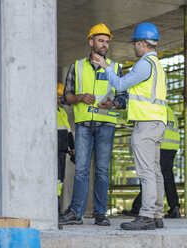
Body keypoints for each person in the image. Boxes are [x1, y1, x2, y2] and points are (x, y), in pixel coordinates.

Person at [93, 22, 167, 230]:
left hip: (146, 124)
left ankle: (145, 216)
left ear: (142, 43)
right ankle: (156, 215)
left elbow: (120, 85)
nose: (134, 47)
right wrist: (117, 105)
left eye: (135, 43)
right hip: (156, 121)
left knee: (146, 172)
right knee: (154, 171)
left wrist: (106, 67)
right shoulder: (157, 66)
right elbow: (141, 97)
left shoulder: (144, 64)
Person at [58, 23, 127, 226]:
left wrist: (113, 103)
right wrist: (79, 97)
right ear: (91, 42)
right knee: (81, 170)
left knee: (102, 171)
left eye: (107, 41)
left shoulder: (114, 67)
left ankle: (100, 214)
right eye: (101, 41)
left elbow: (123, 97)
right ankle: (75, 213)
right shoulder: (77, 66)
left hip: (106, 124)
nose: (105, 45)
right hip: (84, 125)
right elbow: (65, 97)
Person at [122, 104, 181, 219]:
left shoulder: (155, 107)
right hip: (172, 146)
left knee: (149, 175)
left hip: (159, 145)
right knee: (167, 178)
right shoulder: (170, 110)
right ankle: (174, 207)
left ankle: (139, 208)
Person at [57, 83, 75, 214]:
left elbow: (68, 131)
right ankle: (54, 208)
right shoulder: (48, 112)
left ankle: (56, 207)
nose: (59, 100)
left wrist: (72, 148)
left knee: (60, 180)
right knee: (55, 179)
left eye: (60, 97)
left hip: (62, 150)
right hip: (52, 151)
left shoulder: (62, 112)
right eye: (57, 97)